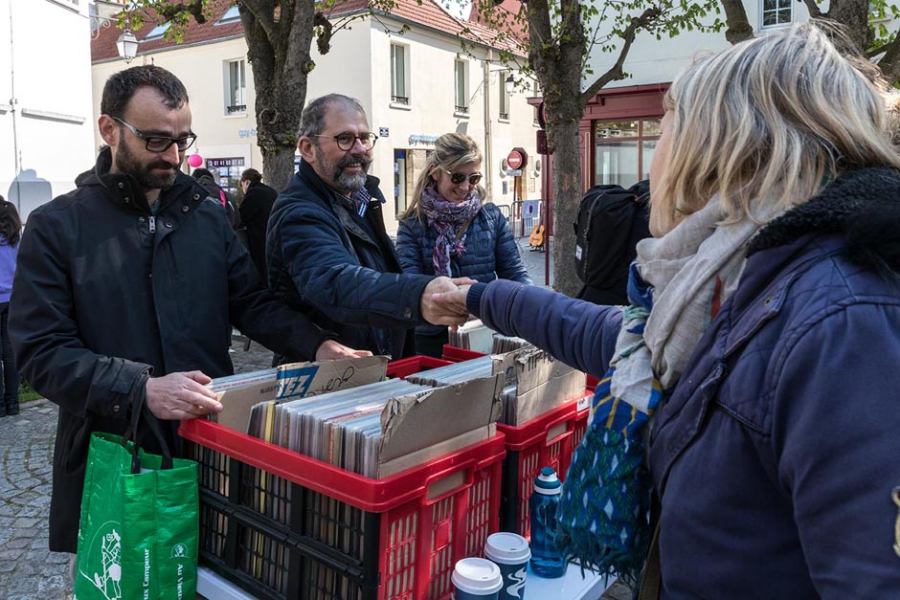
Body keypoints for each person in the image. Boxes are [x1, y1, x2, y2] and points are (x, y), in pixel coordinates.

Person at [433, 23, 900, 598]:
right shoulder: (737, 275)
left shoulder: (844, 322)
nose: (654, 159)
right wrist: (481, 296)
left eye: (663, 132)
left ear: (720, 150)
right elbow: (620, 336)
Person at [8, 65, 368, 558]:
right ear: (109, 129)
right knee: (131, 583)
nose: (174, 155)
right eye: (156, 140)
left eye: (182, 138)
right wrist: (140, 388)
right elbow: (40, 353)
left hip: (210, 441)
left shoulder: (205, 213)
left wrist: (316, 344)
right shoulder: (56, 227)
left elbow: (250, 302)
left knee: (215, 576)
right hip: (116, 449)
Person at [266, 94, 469, 359]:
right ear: (307, 149)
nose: (360, 149)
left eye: (364, 138)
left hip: (370, 372)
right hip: (330, 381)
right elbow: (336, 281)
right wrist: (419, 295)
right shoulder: (299, 212)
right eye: (345, 139)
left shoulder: (360, 199)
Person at [395, 133, 530, 357]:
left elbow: (513, 272)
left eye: (474, 178)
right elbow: (409, 282)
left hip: (483, 331)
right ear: (435, 172)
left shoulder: (491, 216)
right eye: (457, 177)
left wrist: (531, 305)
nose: (466, 186)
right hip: (431, 338)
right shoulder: (413, 223)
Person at [0, 197, 20, 418]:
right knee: (10, 353)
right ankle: (13, 403)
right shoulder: (15, 237)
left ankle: (0, 405)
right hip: (12, 298)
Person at [239, 167, 277, 280]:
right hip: (273, 235)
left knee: (261, 269)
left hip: (259, 237)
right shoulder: (270, 191)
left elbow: (242, 216)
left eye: (242, 186)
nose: (243, 190)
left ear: (246, 182)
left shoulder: (253, 192)